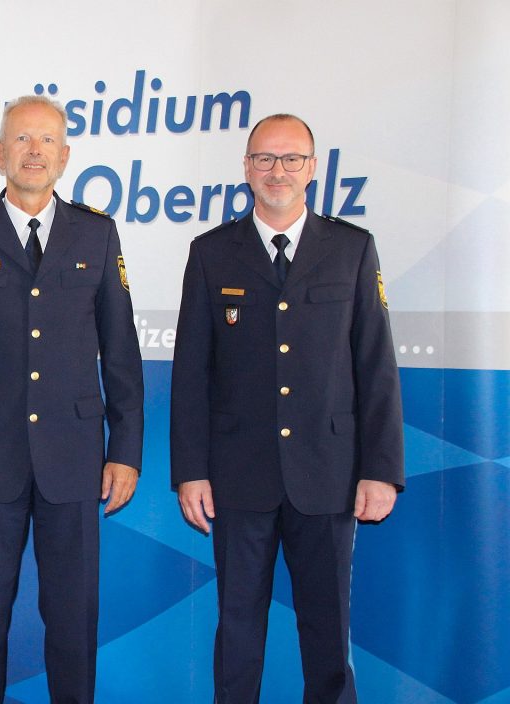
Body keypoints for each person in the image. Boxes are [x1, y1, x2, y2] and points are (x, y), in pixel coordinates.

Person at [0, 95, 144, 703]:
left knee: (73, 624)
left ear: (65, 156)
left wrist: (125, 451)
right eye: (22, 140)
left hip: (74, 460)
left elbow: (121, 353)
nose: (34, 151)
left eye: (46, 141)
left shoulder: (96, 233)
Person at [171, 114, 404, 702]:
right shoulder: (211, 253)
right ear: (246, 169)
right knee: (239, 636)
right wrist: (190, 471)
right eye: (265, 159)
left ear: (313, 168)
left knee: (328, 639)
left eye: (291, 159)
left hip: (328, 475)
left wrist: (381, 470)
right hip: (237, 476)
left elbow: (375, 367)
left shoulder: (352, 249)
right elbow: (192, 373)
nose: (278, 171)